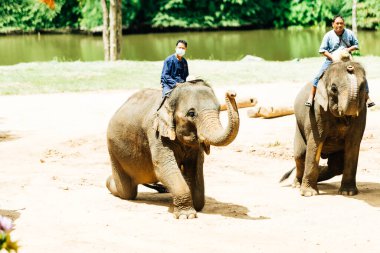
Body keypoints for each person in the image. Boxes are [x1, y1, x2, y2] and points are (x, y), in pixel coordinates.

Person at [305, 15, 375, 108]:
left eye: (341, 23)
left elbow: (356, 45)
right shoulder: (328, 35)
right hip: (332, 59)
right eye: (337, 23)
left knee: (361, 75)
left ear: (344, 24)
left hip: (347, 59)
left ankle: (367, 97)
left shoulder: (349, 33)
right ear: (333, 24)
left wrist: (348, 49)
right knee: (318, 76)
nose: (339, 25)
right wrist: (333, 57)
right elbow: (322, 50)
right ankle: (311, 96)